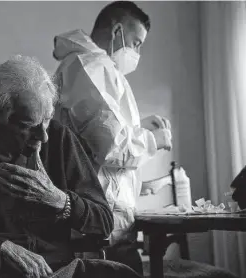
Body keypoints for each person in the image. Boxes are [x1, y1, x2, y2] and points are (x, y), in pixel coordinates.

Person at [0, 55, 143, 278]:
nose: (43, 135)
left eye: (47, 120)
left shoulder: (60, 139)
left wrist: (60, 200)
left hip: (56, 271)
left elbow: (103, 221)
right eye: (28, 125)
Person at [52, 1, 172, 274]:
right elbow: (109, 146)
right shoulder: (92, 66)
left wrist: (138, 125)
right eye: (136, 42)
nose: (137, 52)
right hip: (99, 227)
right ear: (117, 30)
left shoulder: (87, 66)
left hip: (101, 221)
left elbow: (93, 131)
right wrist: (154, 139)